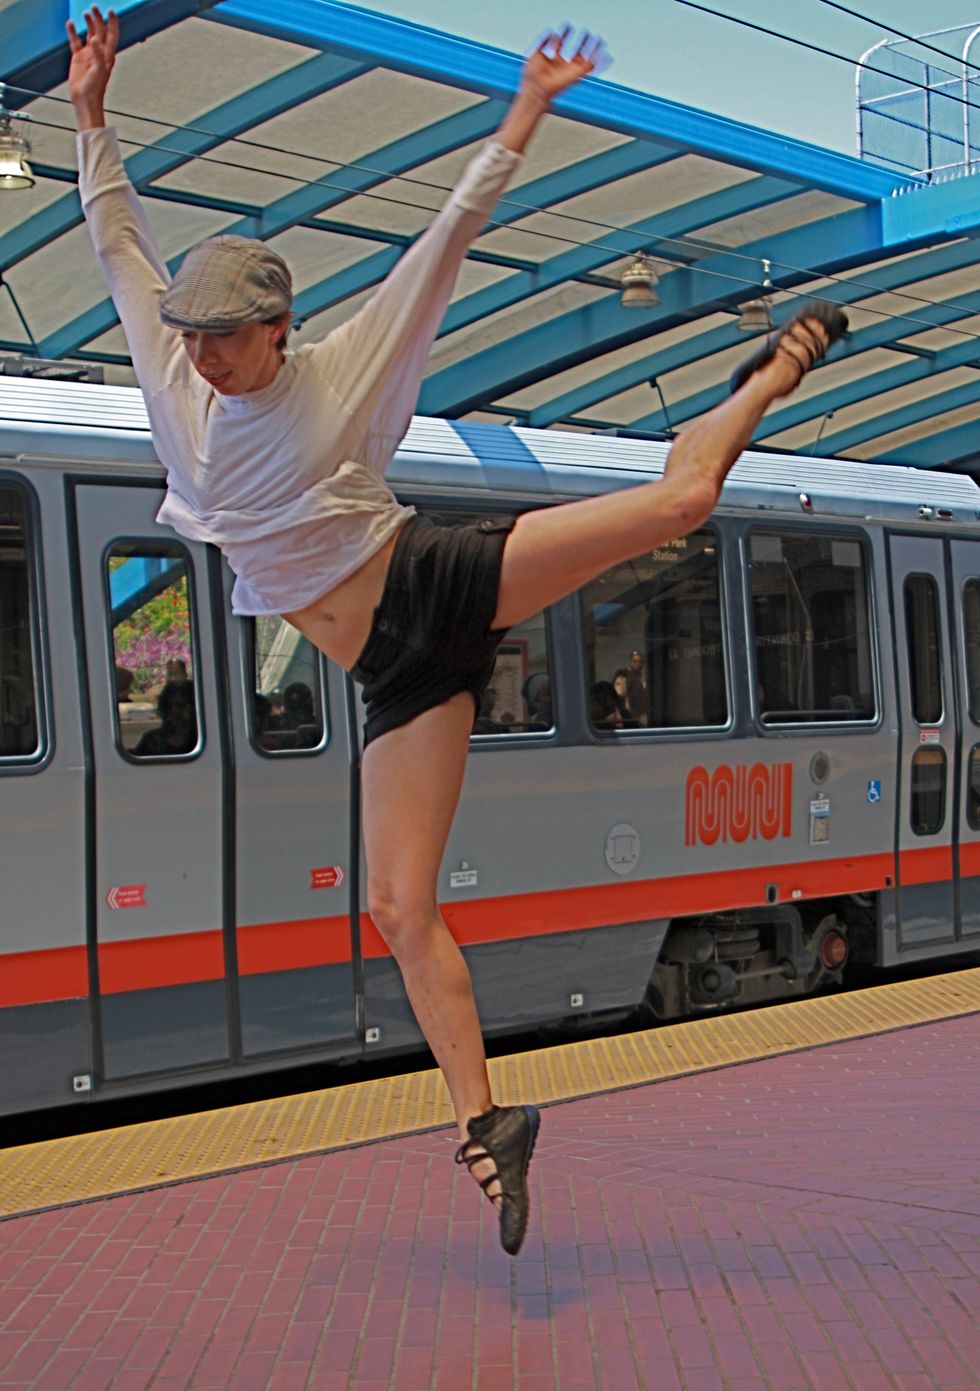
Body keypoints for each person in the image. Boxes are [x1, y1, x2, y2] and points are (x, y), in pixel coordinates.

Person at [68, 7, 847, 1256]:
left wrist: (528, 109)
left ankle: (763, 374)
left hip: (432, 582)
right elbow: (116, 242)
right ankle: (492, 1123)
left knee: (682, 501)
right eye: (192, 336)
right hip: (387, 667)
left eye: (223, 334)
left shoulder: (340, 369)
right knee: (394, 903)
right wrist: (92, 113)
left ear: (277, 325)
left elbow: (444, 241)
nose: (202, 355)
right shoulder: (178, 388)